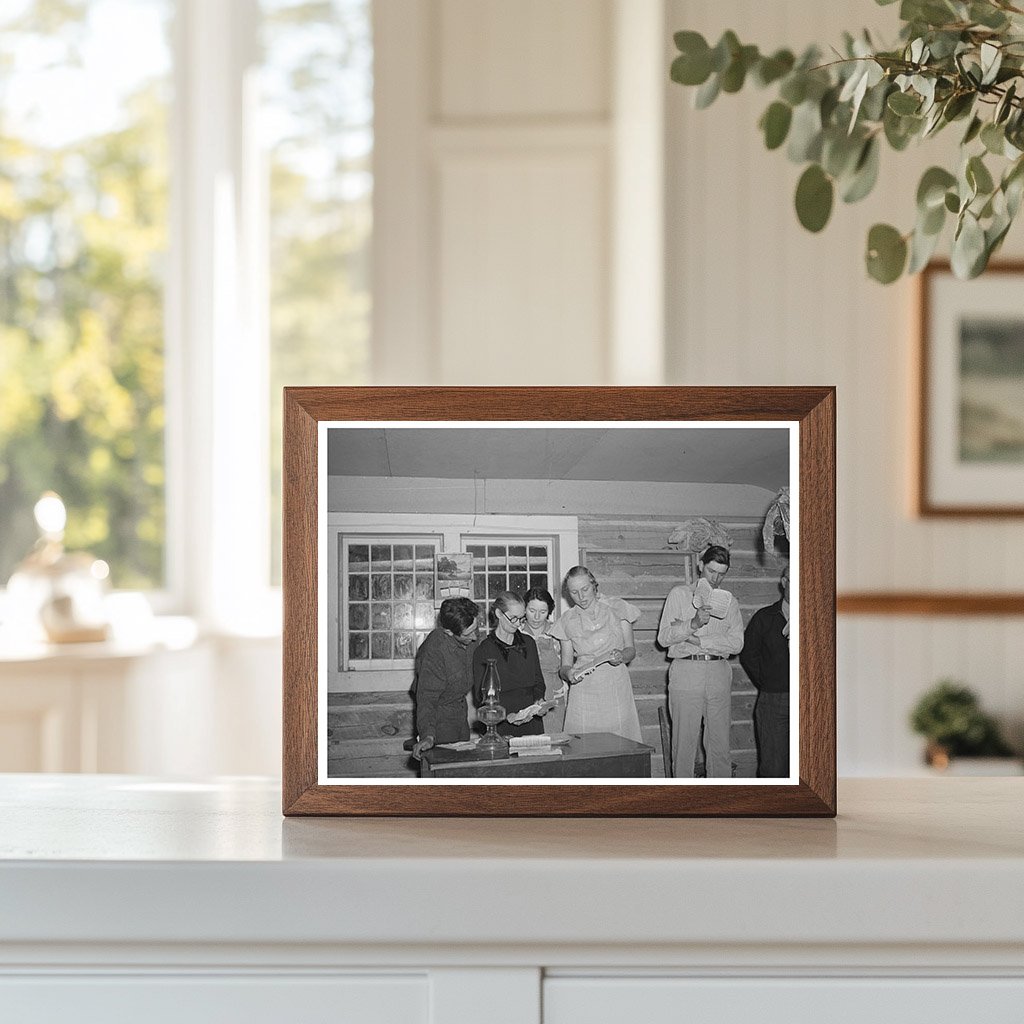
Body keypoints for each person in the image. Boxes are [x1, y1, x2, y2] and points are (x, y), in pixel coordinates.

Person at [657, 545, 743, 778]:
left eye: (721, 574)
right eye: (711, 571)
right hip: (686, 670)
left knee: (720, 744)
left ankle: (719, 795)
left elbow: (737, 644)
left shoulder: (730, 602)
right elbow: (664, 638)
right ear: (700, 565)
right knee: (684, 744)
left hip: (719, 672)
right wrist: (693, 624)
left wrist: (697, 640)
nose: (715, 579)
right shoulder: (679, 594)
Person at [550, 566, 642, 743]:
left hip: (615, 684)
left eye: (585, 589)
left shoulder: (618, 608)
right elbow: (565, 666)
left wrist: (621, 656)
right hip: (584, 689)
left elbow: (630, 650)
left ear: (594, 585)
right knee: (584, 744)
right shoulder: (566, 621)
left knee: (620, 743)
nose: (581, 596)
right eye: (574, 592)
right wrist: (569, 674)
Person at [410, 596, 480, 760]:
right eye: (468, 634)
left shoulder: (469, 635)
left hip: (460, 714)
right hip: (439, 721)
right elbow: (427, 698)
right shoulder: (434, 651)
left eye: (476, 629)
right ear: (448, 632)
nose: (475, 638)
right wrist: (428, 736)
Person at [740, 564, 791, 778]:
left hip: (812, 700)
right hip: (774, 700)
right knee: (774, 768)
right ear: (784, 583)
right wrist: (769, 681)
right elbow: (748, 655)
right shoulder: (765, 617)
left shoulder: (818, 617)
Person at [472, 592, 547, 737]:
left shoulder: (529, 643)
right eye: (513, 618)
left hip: (531, 723)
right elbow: (481, 696)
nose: (518, 624)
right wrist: (507, 715)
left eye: (522, 618)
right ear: (499, 613)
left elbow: (538, 682)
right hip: (500, 724)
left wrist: (539, 701)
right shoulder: (483, 650)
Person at [521, 586, 567, 733]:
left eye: (542, 612)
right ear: (524, 609)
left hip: (553, 698)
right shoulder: (516, 633)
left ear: (549, 611)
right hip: (525, 698)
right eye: (531, 611)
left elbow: (566, 666)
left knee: (554, 740)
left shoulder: (558, 632)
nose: (536, 617)